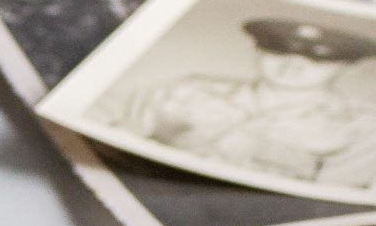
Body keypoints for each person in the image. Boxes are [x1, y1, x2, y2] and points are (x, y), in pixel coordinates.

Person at [117, 17, 376, 189]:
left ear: (347, 65)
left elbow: (328, 203)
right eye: (280, 51)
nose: (293, 66)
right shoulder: (184, 91)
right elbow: (117, 145)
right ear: (259, 48)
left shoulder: (361, 128)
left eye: (317, 60)